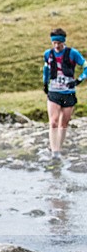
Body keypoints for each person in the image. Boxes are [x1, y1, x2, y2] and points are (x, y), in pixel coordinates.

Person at [42, 28, 85, 162]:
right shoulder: (48, 54)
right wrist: (45, 83)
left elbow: (86, 66)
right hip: (54, 92)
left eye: (59, 43)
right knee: (53, 121)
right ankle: (54, 152)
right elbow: (46, 69)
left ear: (63, 42)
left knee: (63, 123)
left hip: (69, 93)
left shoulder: (73, 53)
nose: (56, 46)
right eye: (54, 43)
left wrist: (78, 80)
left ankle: (58, 148)